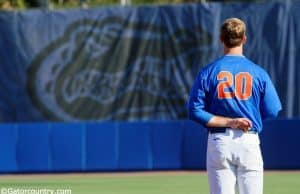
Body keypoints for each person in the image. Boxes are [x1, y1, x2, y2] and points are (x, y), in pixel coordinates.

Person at [187, 18, 282, 194]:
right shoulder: (258, 72)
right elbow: (273, 110)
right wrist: (248, 118)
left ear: (221, 38)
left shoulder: (209, 71)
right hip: (248, 139)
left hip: (219, 141)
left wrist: (230, 122)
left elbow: (194, 111)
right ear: (244, 39)